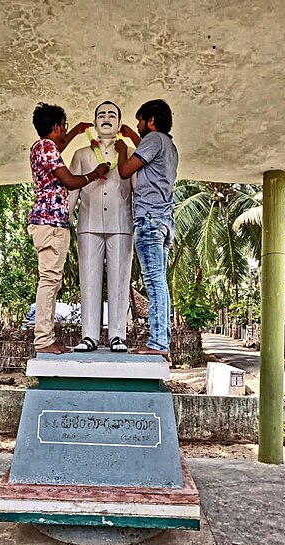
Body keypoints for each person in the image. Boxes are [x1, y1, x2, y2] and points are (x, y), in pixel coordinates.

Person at [28, 102, 109, 355]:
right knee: (50, 281)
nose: (65, 130)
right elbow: (69, 181)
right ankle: (43, 339)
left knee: (50, 280)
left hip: (46, 223)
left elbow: (59, 147)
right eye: (63, 125)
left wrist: (74, 131)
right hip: (50, 223)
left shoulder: (41, 147)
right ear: (55, 126)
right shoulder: (47, 147)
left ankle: (45, 337)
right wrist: (94, 174)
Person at [68, 101, 136, 353]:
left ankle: (118, 335)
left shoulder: (128, 153)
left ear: (119, 123)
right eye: (101, 115)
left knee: (120, 280)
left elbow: (138, 189)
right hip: (89, 222)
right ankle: (89, 336)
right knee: (89, 279)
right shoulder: (82, 154)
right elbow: (73, 189)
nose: (106, 118)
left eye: (112, 115)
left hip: (121, 224)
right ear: (94, 123)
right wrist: (63, 219)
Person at [115, 99, 178, 357]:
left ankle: (158, 343)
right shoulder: (168, 145)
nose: (138, 125)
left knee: (154, 283)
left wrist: (122, 150)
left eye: (140, 120)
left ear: (151, 121)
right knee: (159, 282)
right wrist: (130, 134)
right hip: (163, 221)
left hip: (149, 220)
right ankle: (162, 339)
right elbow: (148, 155)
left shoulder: (154, 139)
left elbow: (125, 171)